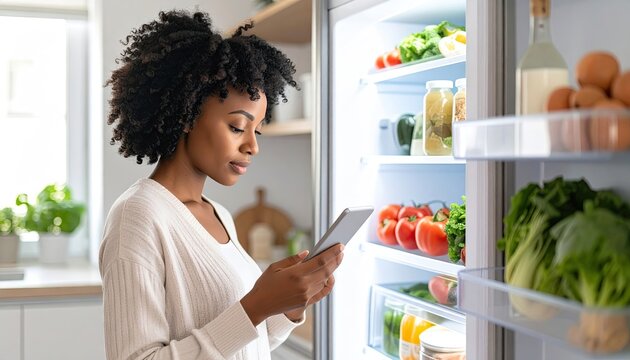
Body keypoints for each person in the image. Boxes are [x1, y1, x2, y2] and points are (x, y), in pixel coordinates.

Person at [99, 10, 344, 360]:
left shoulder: (219, 214)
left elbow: (244, 342)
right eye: (236, 127)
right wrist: (257, 306)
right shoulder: (136, 217)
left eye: (256, 130)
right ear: (187, 115)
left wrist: (288, 306)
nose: (252, 146)